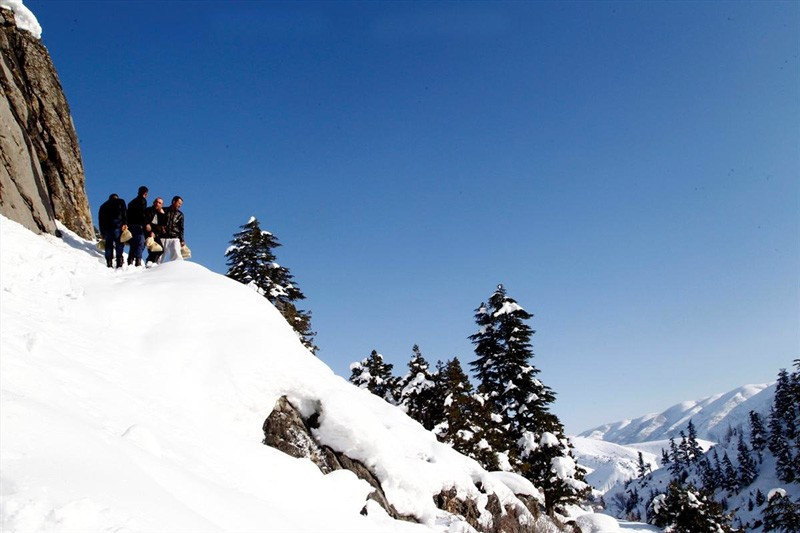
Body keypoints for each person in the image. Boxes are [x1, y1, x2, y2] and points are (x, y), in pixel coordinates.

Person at [98, 193, 128, 268]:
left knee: (108, 245)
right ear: (117, 197)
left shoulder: (103, 206)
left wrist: (102, 231)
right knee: (119, 244)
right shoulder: (121, 201)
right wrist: (125, 223)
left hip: (107, 228)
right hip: (118, 226)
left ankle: (109, 262)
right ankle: (119, 262)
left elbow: (100, 220)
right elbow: (124, 212)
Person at [126, 186, 149, 267]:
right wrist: (146, 224)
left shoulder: (131, 202)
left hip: (130, 226)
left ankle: (130, 260)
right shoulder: (143, 201)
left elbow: (127, 215)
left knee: (133, 243)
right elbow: (142, 213)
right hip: (139, 225)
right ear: (145, 193)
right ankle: (138, 261)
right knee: (141, 243)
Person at [159, 196, 184, 263]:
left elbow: (181, 228)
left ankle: (177, 271)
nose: (180, 205)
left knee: (177, 257)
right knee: (159, 257)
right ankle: (153, 271)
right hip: (163, 237)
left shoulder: (180, 214)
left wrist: (182, 240)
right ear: (173, 202)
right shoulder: (163, 210)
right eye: (179, 203)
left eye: (181, 204)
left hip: (174, 237)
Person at [143, 196, 166, 266]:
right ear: (154, 203)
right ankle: (150, 263)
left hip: (156, 234)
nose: (157, 204)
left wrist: (162, 214)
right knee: (152, 249)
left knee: (160, 249)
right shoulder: (148, 210)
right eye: (157, 202)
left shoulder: (161, 213)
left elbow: (163, 224)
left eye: (160, 203)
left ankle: (151, 262)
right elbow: (145, 221)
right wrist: (150, 232)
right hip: (148, 233)